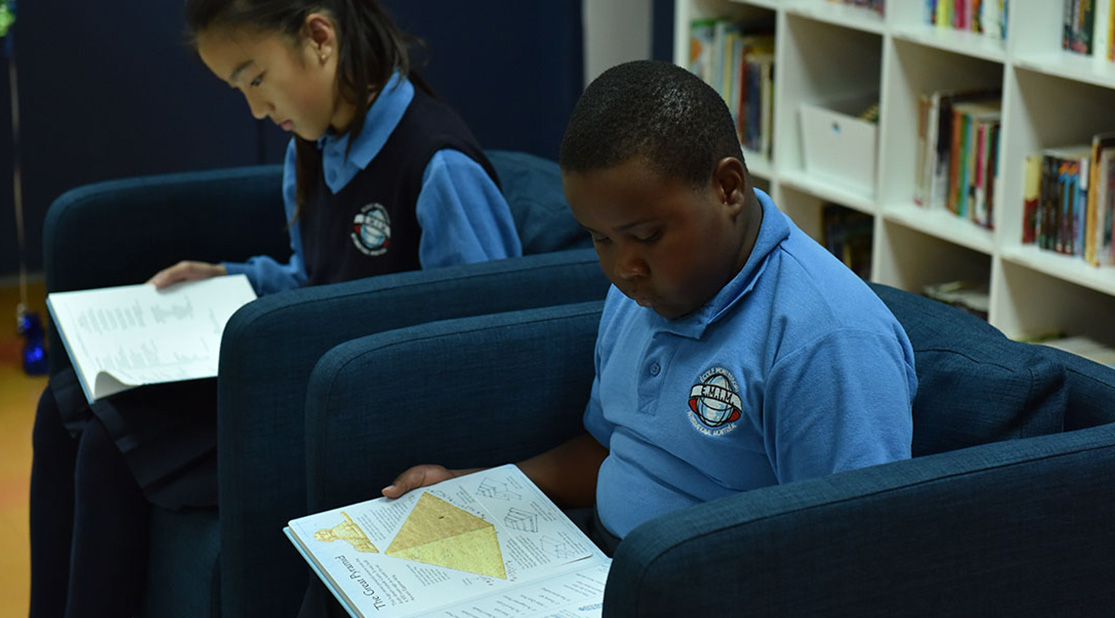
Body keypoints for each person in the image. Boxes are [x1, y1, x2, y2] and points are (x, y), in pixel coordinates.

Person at [296, 59, 916, 615]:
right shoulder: (643, 293)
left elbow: (848, 562)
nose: (623, 268)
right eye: (600, 238)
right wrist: (477, 483)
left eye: (646, 236)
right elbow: (613, 450)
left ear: (728, 188)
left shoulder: (828, 341)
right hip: (596, 567)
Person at [29, 1, 521, 616]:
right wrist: (229, 278)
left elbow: (493, 338)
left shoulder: (439, 166)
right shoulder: (312, 144)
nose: (257, 109)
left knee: (109, 447)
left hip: (353, 419)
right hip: (299, 381)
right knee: (61, 407)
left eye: (255, 78)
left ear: (320, 37)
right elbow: (310, 277)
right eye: (239, 89)